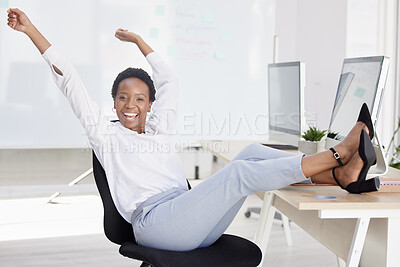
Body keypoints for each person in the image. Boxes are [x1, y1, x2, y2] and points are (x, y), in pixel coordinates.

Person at [7, 8, 379, 252]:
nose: (130, 106)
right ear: (114, 102)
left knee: (249, 154)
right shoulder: (105, 135)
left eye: (139, 99)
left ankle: (339, 176)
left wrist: (140, 42)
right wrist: (31, 31)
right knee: (240, 172)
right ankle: (338, 156)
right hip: (156, 225)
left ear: (150, 105)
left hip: (188, 218)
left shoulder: (159, 127)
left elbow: (169, 80)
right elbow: (68, 79)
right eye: (123, 98)